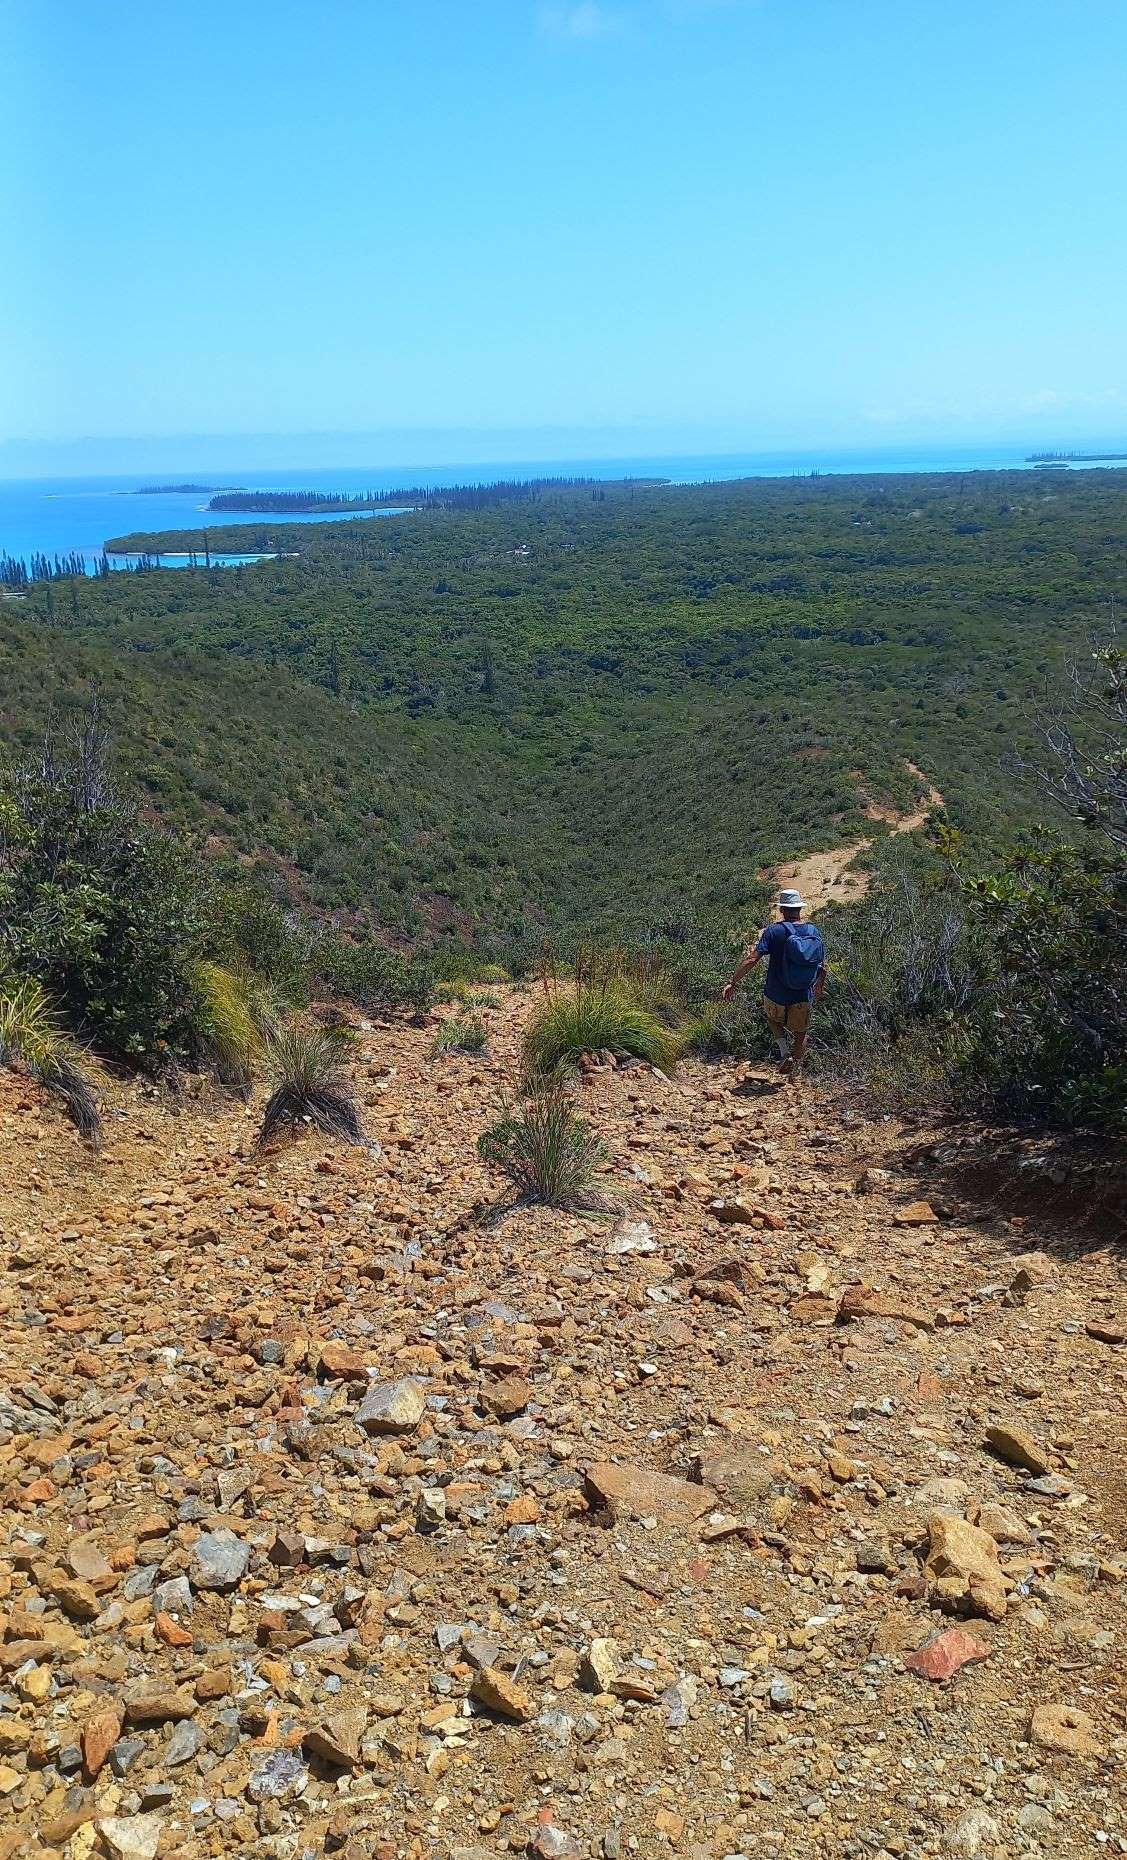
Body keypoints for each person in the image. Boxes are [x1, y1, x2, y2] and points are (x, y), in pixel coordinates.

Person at [721, 887, 827, 1075]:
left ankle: (784, 1053)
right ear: (799, 909)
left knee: (772, 1018)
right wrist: (818, 987)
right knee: (801, 1032)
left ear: (782, 909)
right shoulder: (813, 931)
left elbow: (752, 959)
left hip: (776, 992)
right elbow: (822, 965)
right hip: (803, 992)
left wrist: (733, 981)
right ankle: (795, 1072)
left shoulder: (774, 931)